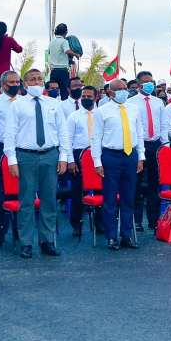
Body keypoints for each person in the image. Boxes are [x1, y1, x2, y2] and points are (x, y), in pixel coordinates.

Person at [4, 67, 72, 258]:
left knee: (49, 200)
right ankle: (26, 243)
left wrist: (63, 157)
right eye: (32, 80)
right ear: (24, 85)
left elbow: (63, 131)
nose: (36, 82)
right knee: (26, 201)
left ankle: (47, 241)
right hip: (26, 156)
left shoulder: (54, 104)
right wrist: (12, 160)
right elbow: (10, 133)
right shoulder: (17, 105)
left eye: (39, 79)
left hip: (50, 154)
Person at [90, 77, 144, 250]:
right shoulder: (102, 111)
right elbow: (96, 137)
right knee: (110, 198)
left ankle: (126, 236)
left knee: (129, 198)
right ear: (110, 92)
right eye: (119, 89)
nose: (123, 92)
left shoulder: (134, 109)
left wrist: (140, 157)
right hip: (111, 156)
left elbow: (140, 133)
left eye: (125, 89)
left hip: (130, 155)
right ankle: (111, 236)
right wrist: (97, 161)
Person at [129, 70, 168, 233]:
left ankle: (153, 220)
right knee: (136, 184)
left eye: (152, 81)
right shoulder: (131, 103)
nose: (150, 84)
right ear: (138, 85)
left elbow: (163, 125)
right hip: (139, 145)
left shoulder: (158, 102)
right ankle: (137, 220)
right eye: (146, 82)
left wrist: (164, 146)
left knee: (154, 184)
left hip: (156, 145)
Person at [0, 70, 22, 244]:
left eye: (18, 82)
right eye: (12, 83)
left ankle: (20, 232)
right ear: (2, 84)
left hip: (21, 150)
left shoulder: (24, 101)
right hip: (0, 150)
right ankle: (0, 230)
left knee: (22, 191)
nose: (15, 85)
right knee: (2, 192)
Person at [66, 85, 99, 237]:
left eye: (89, 97)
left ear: (96, 97)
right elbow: (67, 140)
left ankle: (101, 223)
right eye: (83, 97)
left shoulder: (101, 114)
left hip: (98, 154)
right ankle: (76, 224)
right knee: (77, 191)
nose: (86, 99)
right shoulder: (74, 116)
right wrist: (70, 161)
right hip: (79, 155)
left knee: (101, 190)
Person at [46, 24, 79, 93]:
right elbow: (67, 51)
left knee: (53, 91)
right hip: (63, 71)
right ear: (66, 32)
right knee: (64, 92)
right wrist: (76, 54)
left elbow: (49, 52)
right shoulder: (64, 41)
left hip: (54, 71)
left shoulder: (52, 42)